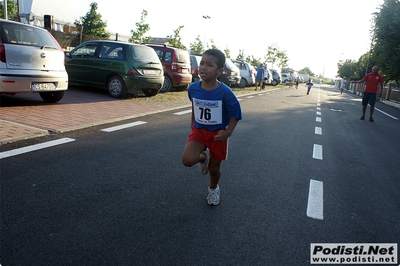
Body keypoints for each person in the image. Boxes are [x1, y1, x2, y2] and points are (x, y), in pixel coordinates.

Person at [181, 49, 243, 206]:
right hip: (199, 131)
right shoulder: (193, 89)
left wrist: (228, 132)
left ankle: (213, 189)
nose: (203, 67)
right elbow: (195, 105)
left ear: (219, 71)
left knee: (213, 169)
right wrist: (192, 123)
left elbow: (235, 113)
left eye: (209, 65)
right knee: (187, 160)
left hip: (217, 135)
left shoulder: (225, 93)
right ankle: (204, 157)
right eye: (202, 63)